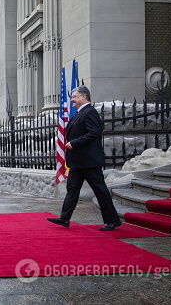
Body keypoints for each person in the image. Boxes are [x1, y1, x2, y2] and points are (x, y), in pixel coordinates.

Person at [47, 86, 122, 231]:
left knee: (100, 190)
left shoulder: (90, 112)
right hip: (77, 162)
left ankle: (113, 221)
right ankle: (64, 218)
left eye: (74, 97)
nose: (72, 100)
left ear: (84, 97)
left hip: (89, 162)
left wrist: (74, 143)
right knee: (72, 190)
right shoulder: (79, 113)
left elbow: (94, 132)